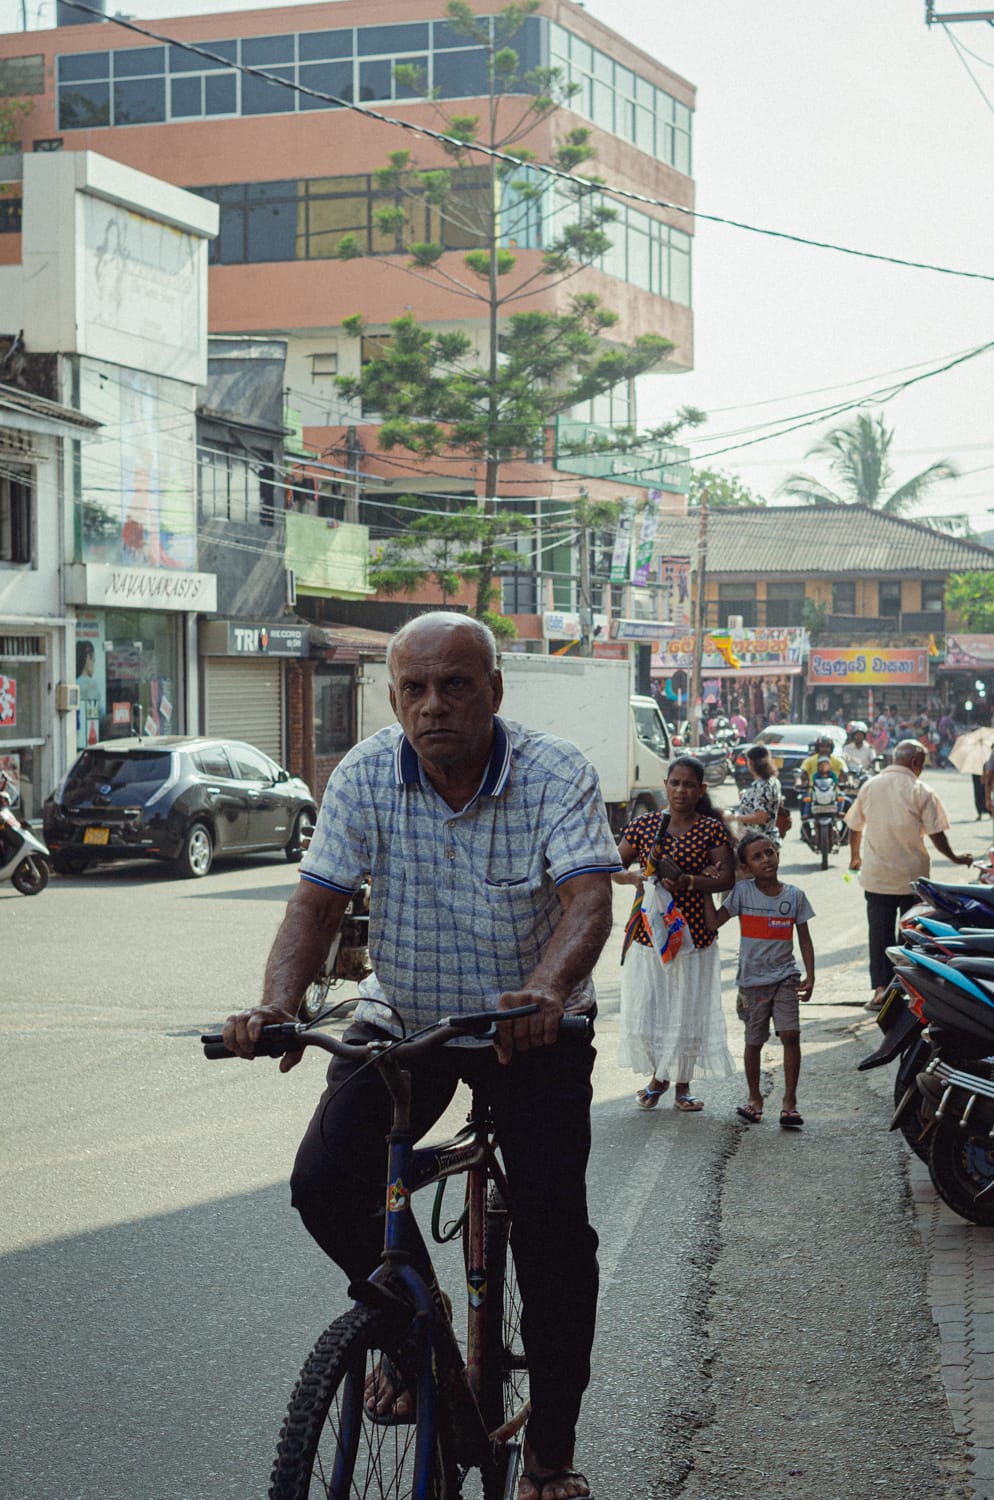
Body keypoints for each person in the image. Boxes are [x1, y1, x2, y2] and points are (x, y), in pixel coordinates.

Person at [222, 612, 620, 1500]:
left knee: (554, 1237)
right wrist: (276, 1006)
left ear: (494, 690)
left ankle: (550, 1449)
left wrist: (547, 990)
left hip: (530, 1026)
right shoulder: (365, 774)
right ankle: (413, 1324)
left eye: (455, 685)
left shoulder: (555, 772)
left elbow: (589, 902)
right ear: (394, 697)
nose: (433, 705)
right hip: (407, 1018)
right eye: (415, 688)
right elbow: (316, 904)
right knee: (325, 1182)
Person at [614, 755, 736, 1113]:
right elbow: (612, 867)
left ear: (701, 789)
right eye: (675, 783)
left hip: (693, 935)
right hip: (650, 934)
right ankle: (659, 1077)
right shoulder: (644, 825)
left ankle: (682, 1085)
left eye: (689, 785)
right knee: (653, 1007)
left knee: (687, 1009)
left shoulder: (711, 830)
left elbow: (726, 879)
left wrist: (689, 881)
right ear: (666, 785)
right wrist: (636, 877)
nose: (681, 790)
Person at [845, 738, 973, 1010]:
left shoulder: (870, 786)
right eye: (922, 764)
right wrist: (954, 858)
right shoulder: (921, 790)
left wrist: (855, 856)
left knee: (879, 934)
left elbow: (854, 826)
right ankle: (905, 988)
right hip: (912, 878)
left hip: (877, 876)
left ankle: (881, 990)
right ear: (915, 762)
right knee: (911, 935)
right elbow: (937, 834)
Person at [707, 831, 815, 1130]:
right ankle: (754, 1099)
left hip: (786, 977)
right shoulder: (742, 893)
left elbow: (804, 939)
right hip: (752, 982)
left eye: (769, 852)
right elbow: (713, 922)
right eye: (757, 857)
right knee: (754, 1041)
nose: (766, 859)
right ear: (745, 867)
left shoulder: (794, 896)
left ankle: (789, 1102)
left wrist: (811, 974)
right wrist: (705, 886)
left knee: (790, 1035)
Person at [722, 743, 783, 848]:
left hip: (757, 844)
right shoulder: (772, 781)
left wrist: (734, 817)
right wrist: (747, 796)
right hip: (763, 840)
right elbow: (774, 803)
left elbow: (761, 817)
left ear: (750, 763)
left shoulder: (763, 785)